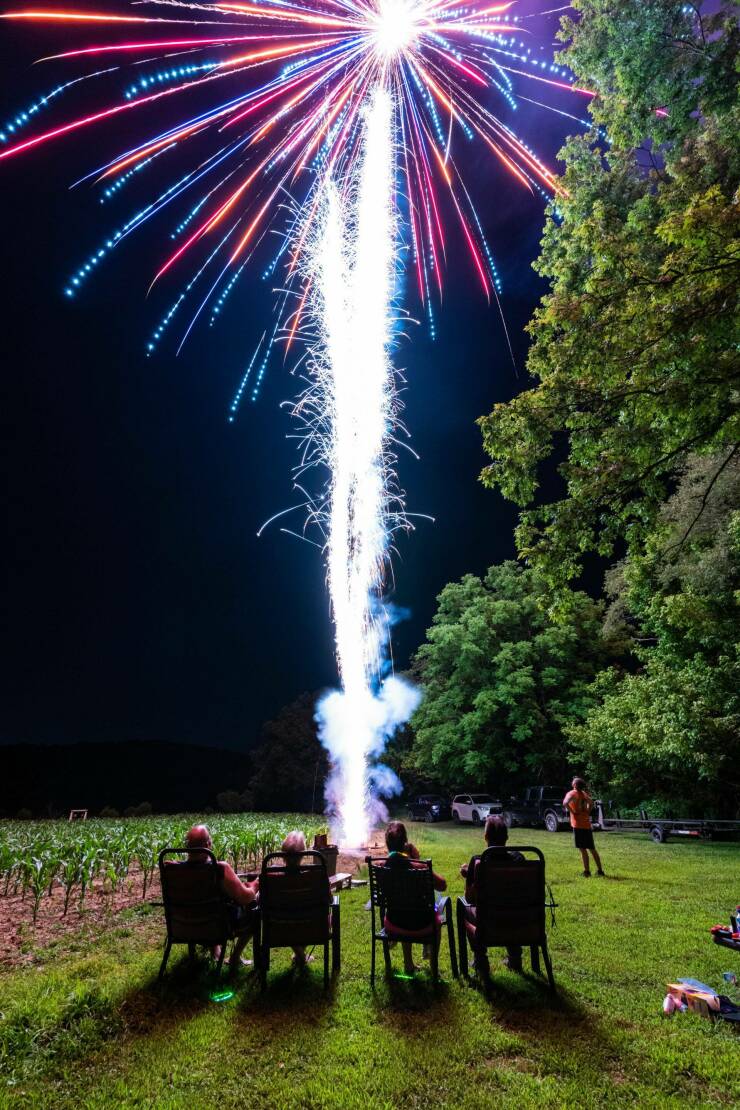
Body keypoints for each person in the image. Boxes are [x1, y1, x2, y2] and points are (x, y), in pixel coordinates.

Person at [182, 825, 259, 970]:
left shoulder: (171, 868)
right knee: (255, 906)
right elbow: (245, 898)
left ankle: (215, 952)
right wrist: (255, 885)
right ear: (207, 845)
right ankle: (234, 957)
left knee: (208, 904)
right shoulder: (220, 868)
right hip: (217, 925)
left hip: (183, 923)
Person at [459, 814, 524, 973]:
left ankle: (480, 959)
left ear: (486, 837)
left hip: (488, 923)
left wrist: (470, 875)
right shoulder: (519, 859)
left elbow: (469, 898)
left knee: (464, 909)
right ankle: (515, 958)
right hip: (519, 921)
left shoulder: (478, 863)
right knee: (509, 907)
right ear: (507, 837)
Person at [382, 820, 447, 975]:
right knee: (437, 908)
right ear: (405, 842)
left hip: (394, 921)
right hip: (422, 922)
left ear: (387, 843)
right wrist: (417, 860)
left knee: (403, 905)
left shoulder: (382, 867)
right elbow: (442, 885)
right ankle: (433, 967)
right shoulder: (419, 867)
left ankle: (408, 964)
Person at [279, 829, 325, 968]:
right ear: (304, 853)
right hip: (312, 924)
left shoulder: (271, 877)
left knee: (287, 920)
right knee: (307, 917)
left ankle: (299, 954)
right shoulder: (315, 876)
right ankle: (301, 955)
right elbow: (328, 900)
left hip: (281, 926)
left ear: (282, 854)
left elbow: (262, 901)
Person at [562, 777, 605, 877]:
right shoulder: (584, 793)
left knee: (582, 849)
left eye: (573, 781)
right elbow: (592, 803)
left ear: (574, 785)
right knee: (592, 849)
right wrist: (588, 812)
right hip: (586, 825)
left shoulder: (571, 793)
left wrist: (572, 812)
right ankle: (600, 871)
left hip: (578, 825)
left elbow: (565, 803)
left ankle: (586, 872)